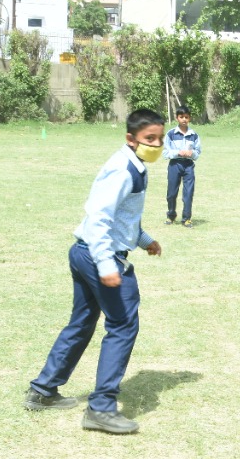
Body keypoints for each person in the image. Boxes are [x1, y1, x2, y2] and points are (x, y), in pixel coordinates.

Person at [25, 108, 166, 434]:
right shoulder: (123, 170)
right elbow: (100, 217)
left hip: (85, 251)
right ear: (131, 139)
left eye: (160, 138)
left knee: (82, 321)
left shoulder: (134, 165)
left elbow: (122, 217)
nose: (157, 145)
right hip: (99, 256)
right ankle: (101, 408)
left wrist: (145, 240)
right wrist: (105, 264)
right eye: (149, 139)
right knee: (123, 324)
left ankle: (43, 390)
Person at [163, 106, 201, 227]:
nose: (184, 119)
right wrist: (177, 153)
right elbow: (165, 153)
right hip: (175, 165)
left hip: (188, 166)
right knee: (171, 193)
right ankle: (171, 215)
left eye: (186, 117)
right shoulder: (171, 134)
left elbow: (198, 152)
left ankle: (186, 218)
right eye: (181, 117)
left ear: (189, 118)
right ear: (176, 118)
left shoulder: (194, 135)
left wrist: (192, 153)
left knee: (188, 193)